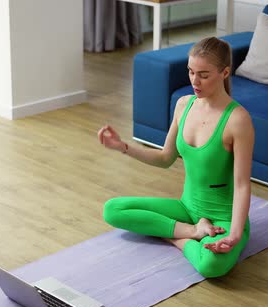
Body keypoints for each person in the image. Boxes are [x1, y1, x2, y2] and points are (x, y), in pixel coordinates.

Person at [97, 37, 255, 278]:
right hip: (186, 207)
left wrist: (233, 235)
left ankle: (172, 235)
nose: (194, 80)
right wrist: (122, 147)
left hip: (223, 218)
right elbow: (165, 158)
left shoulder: (238, 120)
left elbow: (243, 184)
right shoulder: (183, 105)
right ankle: (192, 232)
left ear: (224, 72)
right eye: (191, 72)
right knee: (112, 209)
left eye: (203, 74)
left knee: (211, 266)